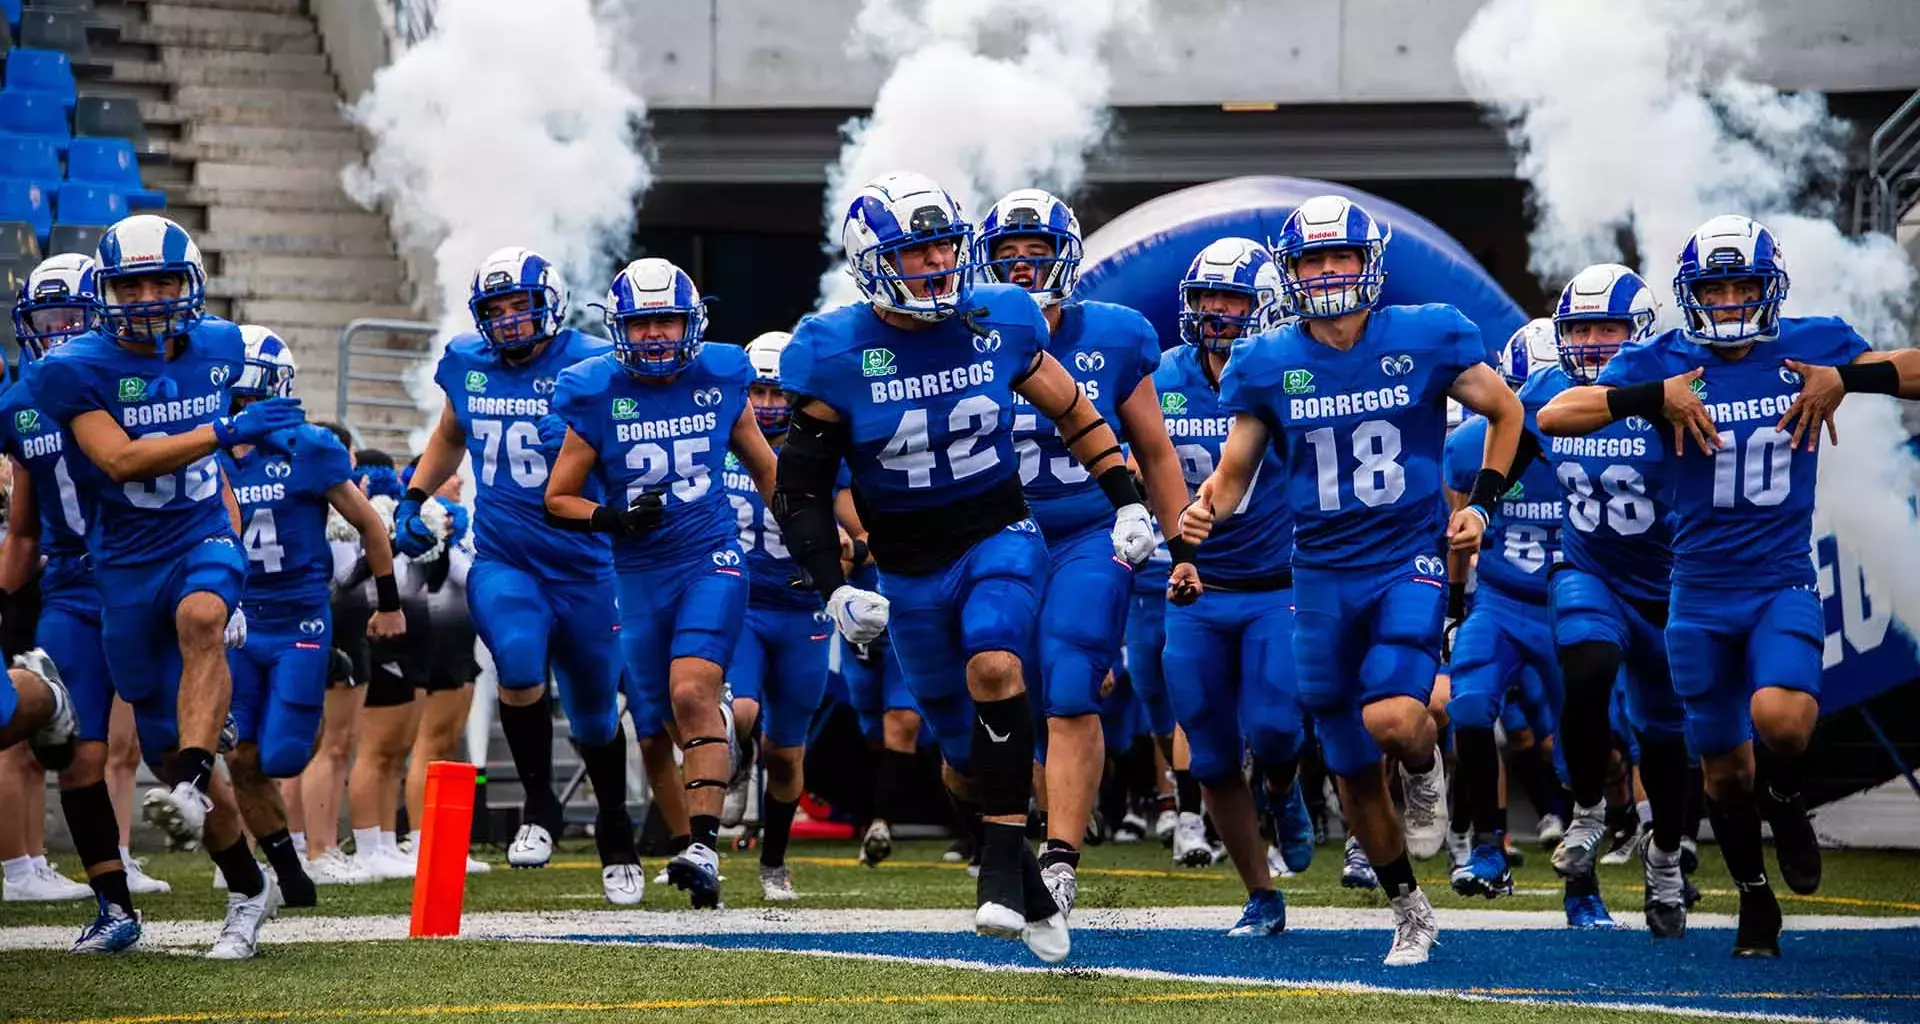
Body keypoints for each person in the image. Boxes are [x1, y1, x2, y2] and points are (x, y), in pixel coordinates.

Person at [770, 171, 1155, 964]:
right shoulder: (832, 350)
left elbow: (1075, 410)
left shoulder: (999, 317)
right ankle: (1026, 876)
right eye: (918, 252)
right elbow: (799, 488)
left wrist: (1123, 498)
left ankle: (1001, 878)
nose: (939, 264)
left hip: (1000, 532)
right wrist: (835, 585)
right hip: (908, 566)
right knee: (962, 762)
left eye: (946, 245)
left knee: (996, 660)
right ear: (873, 262)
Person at [1537, 216, 1920, 957]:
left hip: (1779, 578)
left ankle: (1789, 800)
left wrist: (1850, 376)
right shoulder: (1663, 360)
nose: (1732, 297)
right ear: (1690, 294)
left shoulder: (1812, 344)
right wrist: (1651, 398)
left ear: (1772, 286)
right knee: (1722, 769)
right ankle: (1754, 900)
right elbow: (1556, 413)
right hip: (1697, 591)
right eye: (1716, 285)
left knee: (1783, 723)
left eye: (1744, 282)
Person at [1180, 194, 1525, 966]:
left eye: (1340, 257)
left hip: (1406, 558)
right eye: (1312, 259)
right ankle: (1409, 906)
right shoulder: (1268, 359)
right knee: (1346, 767)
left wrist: (1485, 506)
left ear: (1369, 263)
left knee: (1395, 720)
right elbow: (1235, 472)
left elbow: (1508, 413)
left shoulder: (1426, 333)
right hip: (1320, 574)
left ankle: (1426, 765)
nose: (1328, 271)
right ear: (1292, 271)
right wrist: (1206, 510)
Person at [34, 214, 304, 959]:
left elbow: (215, 467)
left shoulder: (219, 344)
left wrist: (231, 510)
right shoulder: (72, 368)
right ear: (106, 292)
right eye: (131, 284)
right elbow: (119, 462)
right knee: (158, 744)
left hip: (196, 538)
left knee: (203, 616)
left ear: (192, 287)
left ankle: (191, 776)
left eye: (162, 282)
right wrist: (226, 433)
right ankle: (249, 887)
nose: (149, 297)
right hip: (122, 563)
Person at [396, 247, 644, 904]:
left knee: (594, 715)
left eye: (519, 306)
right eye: (495, 310)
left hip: (587, 566)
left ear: (551, 305)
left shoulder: (594, 362)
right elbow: (450, 435)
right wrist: (413, 497)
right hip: (506, 557)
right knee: (518, 662)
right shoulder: (468, 364)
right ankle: (540, 806)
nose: (507, 320)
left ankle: (616, 829)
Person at [974, 188, 1187, 917]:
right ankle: (1029, 828)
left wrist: (1179, 537)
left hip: (1089, 528)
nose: (1026, 269)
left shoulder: (1117, 335)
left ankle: (1059, 859)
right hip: (994, 533)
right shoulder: (968, 335)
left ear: (1067, 259)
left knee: (1070, 680)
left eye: (1038, 256)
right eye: (1010, 258)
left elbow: (1154, 449)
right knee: (1008, 687)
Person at [546, 256, 779, 910]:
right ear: (621, 327)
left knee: (689, 692)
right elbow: (558, 497)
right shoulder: (594, 390)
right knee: (654, 726)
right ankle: (692, 849)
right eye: (643, 322)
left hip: (710, 557)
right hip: (638, 573)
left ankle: (704, 844)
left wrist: (815, 544)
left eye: (667, 320)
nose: (655, 335)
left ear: (692, 322)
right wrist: (611, 515)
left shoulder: (722, 375)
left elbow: (766, 470)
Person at [1520, 264, 1693, 937]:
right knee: (1586, 668)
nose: (1592, 342)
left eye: (1608, 328)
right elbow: (1498, 442)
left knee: (1666, 736)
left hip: (1673, 584)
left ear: (1641, 332)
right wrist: (1480, 500)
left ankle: (1668, 858)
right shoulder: (1547, 389)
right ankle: (1590, 813)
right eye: (1581, 328)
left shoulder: (1679, 386)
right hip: (1587, 566)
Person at [215, 325, 404, 906]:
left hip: (300, 618)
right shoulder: (206, 449)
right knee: (243, 757)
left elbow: (371, 524)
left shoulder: (309, 445)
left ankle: (312, 694)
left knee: (284, 754)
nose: (242, 406)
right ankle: (288, 873)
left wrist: (389, 603)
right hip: (239, 621)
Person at [1151, 237, 1305, 937]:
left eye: (1233, 298)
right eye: (1207, 297)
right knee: (1210, 755)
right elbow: (1138, 462)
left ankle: (1285, 787)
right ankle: (1261, 894)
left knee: (1275, 729)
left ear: (1263, 307)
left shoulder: (1285, 372)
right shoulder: (1159, 377)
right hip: (1194, 587)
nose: (1216, 310)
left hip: (1276, 582)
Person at [0, 255, 145, 935]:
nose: (57, 334)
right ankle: (114, 905)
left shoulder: (142, 378)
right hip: (70, 586)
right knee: (76, 749)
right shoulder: (21, 405)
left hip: (150, 575)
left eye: (71, 320)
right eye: (46, 322)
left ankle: (251, 874)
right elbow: (24, 526)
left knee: (175, 746)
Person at [1442, 319, 1587, 911]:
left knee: (1588, 749)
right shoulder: (1470, 445)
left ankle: (1588, 880)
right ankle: (1487, 845)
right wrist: (1454, 608)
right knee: (1469, 707)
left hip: (1574, 603)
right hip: (1500, 602)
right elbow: (1455, 535)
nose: (1544, 409)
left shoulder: (1603, 441)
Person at [716, 328, 847, 899]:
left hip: (802, 612)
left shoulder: (818, 447)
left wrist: (847, 545)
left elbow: (862, 531)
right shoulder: (718, 439)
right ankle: (734, 757)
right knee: (740, 711)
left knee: (787, 753)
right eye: (757, 392)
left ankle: (773, 860)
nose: (767, 405)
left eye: (778, 393)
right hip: (741, 603)